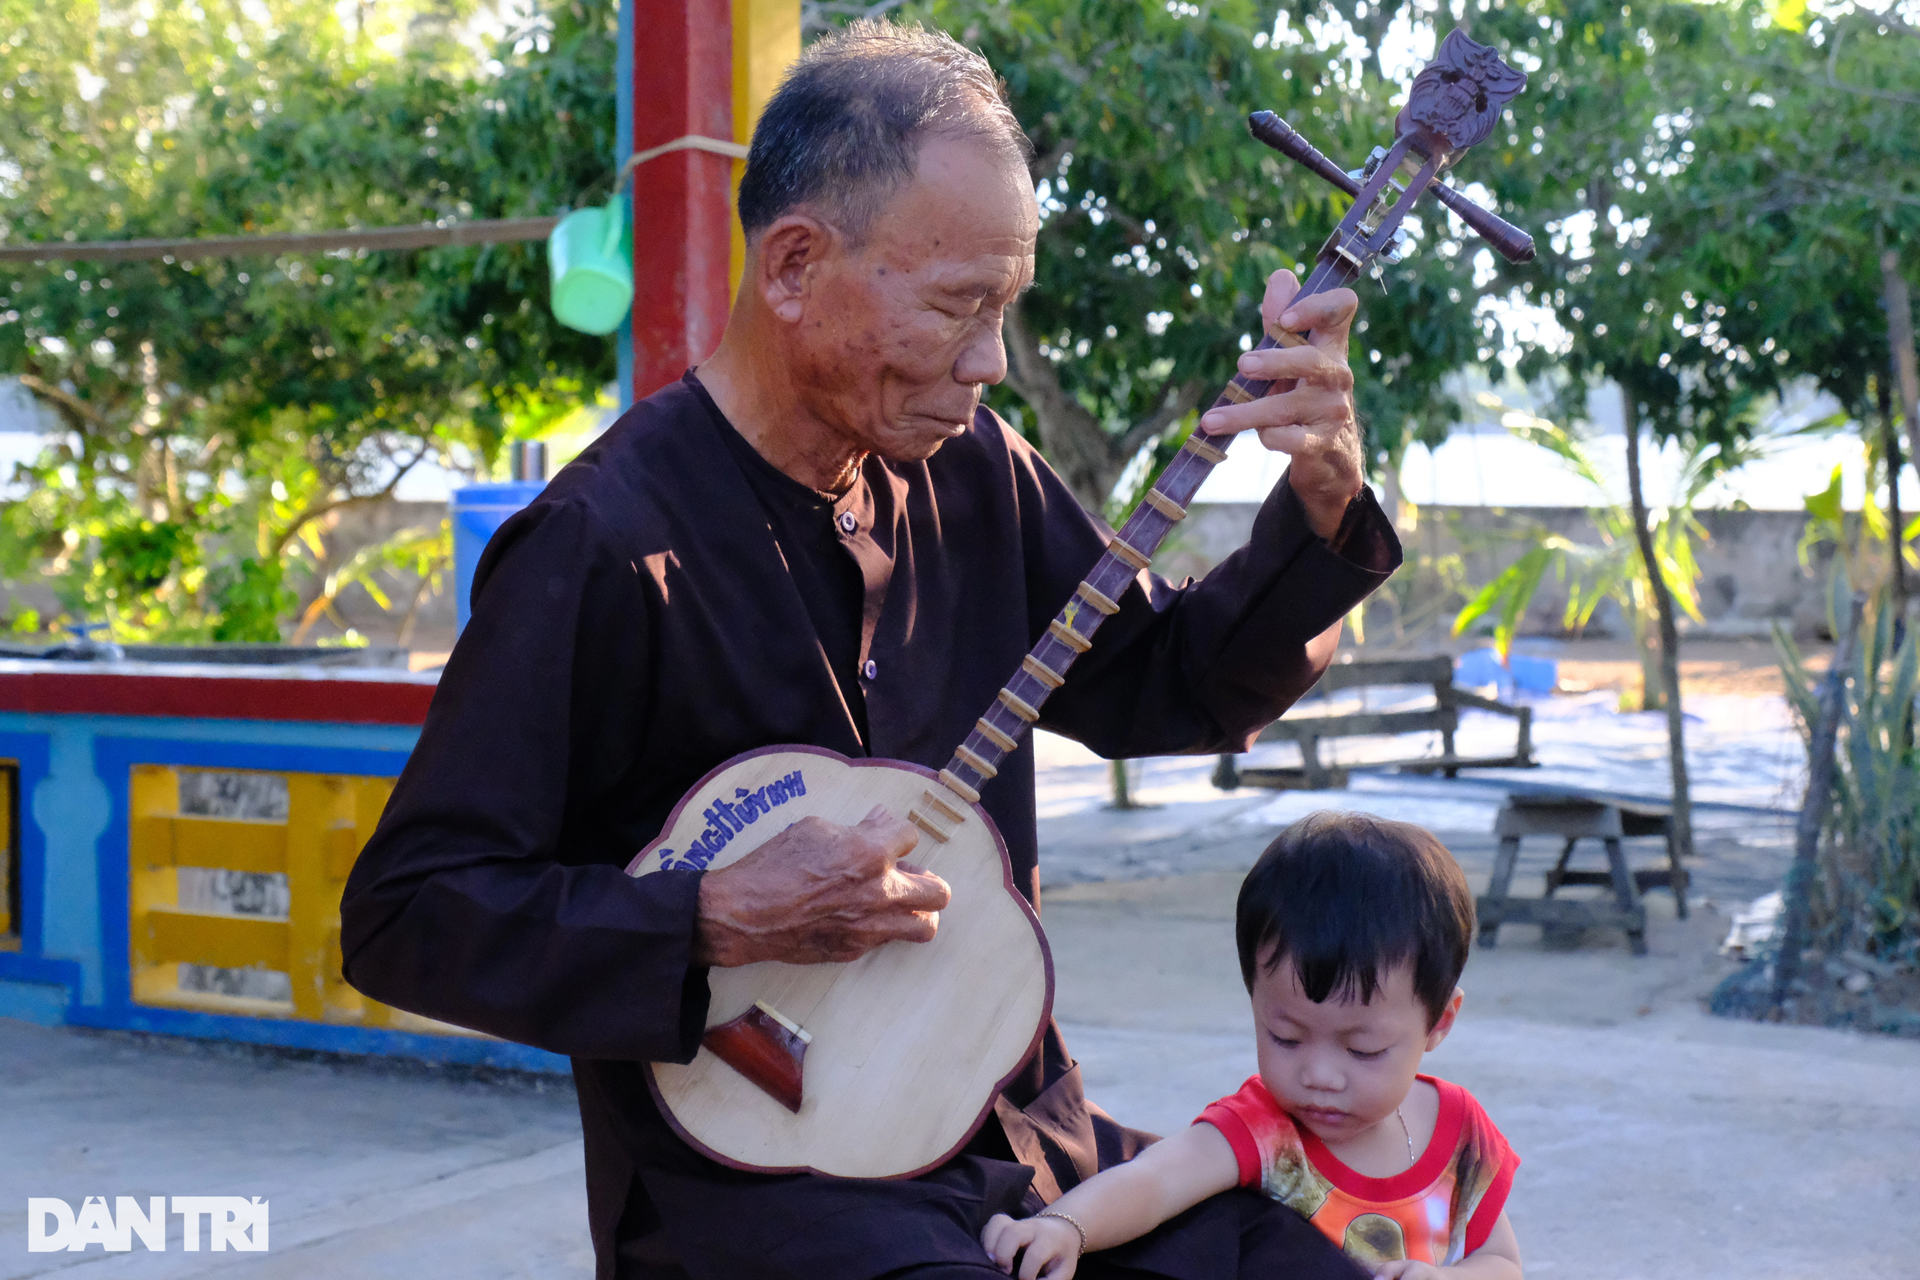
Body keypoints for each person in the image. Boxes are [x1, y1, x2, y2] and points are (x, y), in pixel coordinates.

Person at [340, 19, 1401, 1280]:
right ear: (793, 265)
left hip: (1019, 1138)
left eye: (1004, 306)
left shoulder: (973, 470)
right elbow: (408, 914)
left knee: (1306, 1264)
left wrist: (1328, 489)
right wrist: (708, 913)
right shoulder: (603, 548)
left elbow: (1169, 679)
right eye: (959, 305)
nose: (989, 361)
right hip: (761, 1184)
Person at [981, 812, 1523, 1280]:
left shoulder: (1460, 1136)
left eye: (1363, 1049)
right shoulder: (1263, 1132)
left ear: (1439, 1023)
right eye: (1285, 1036)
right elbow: (1154, 1179)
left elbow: (1501, 1261)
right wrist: (1065, 1226)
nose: (1320, 1074)